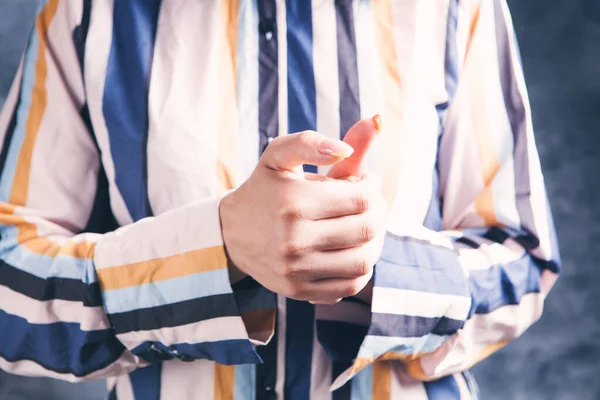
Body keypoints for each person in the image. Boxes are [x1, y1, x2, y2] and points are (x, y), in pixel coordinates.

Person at [0, 0, 560, 399]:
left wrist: (375, 266)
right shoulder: (85, 13)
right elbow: (8, 282)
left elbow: (521, 258)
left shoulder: (455, 8)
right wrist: (218, 249)